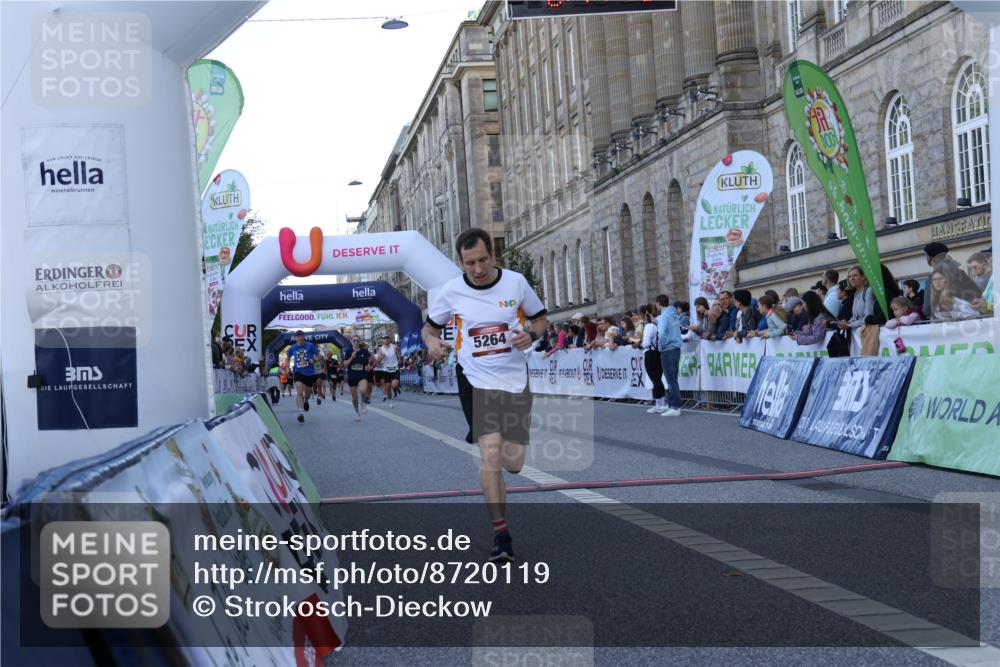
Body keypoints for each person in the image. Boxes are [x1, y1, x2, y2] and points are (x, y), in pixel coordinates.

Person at [422, 228, 547, 563]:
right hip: (475, 379)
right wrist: (432, 342)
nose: (477, 269)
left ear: (493, 255)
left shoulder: (516, 283)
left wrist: (531, 335)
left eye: (482, 260)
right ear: (460, 263)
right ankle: (501, 535)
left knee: (514, 463)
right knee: (490, 452)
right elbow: (429, 328)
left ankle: (502, 509)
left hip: (514, 378)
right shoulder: (451, 291)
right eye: (469, 263)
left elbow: (541, 319)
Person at [923, 242, 982, 319]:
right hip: (969, 320)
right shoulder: (960, 272)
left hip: (945, 323)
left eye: (926, 255)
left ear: (930, 257)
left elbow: (927, 310)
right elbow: (977, 294)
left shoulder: (934, 278)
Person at [655, 294, 683, 418]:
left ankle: (675, 407)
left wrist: (660, 346)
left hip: (668, 349)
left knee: (671, 380)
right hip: (676, 348)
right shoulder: (674, 314)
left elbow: (661, 334)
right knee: (673, 379)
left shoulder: (664, 316)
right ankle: (674, 405)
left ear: (658, 303)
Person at [287, 330, 323, 423]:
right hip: (298, 371)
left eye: (301, 336)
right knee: (299, 391)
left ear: (304, 337)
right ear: (295, 338)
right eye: (298, 337)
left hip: (309, 373)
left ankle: (306, 400)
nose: (300, 338)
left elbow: (319, 356)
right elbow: (287, 358)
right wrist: (287, 369)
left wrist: (314, 360)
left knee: (307, 393)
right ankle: (300, 413)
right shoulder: (293, 348)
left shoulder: (310, 345)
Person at [640, 309, 664, 413]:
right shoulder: (658, 325)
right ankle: (661, 403)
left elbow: (646, 343)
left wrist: (640, 343)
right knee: (657, 378)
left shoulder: (648, 326)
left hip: (650, 353)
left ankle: (660, 404)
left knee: (655, 379)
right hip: (658, 352)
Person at [344, 339, 374, 421]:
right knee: (354, 399)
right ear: (351, 342)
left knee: (363, 389)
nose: (355, 342)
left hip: (362, 375)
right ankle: (358, 414)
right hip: (352, 376)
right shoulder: (348, 351)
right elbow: (345, 364)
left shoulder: (364, 351)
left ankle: (363, 402)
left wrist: (368, 365)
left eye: (357, 340)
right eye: (353, 340)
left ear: (359, 342)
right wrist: (352, 357)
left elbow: (371, 358)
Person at [375, 334, 401, 408]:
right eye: (384, 338)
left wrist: (399, 358)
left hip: (395, 368)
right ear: (383, 340)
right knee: (388, 387)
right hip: (386, 369)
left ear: (389, 339)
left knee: (394, 385)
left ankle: (395, 389)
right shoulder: (381, 349)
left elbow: (399, 352)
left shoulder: (394, 346)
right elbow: (378, 362)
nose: (386, 339)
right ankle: (390, 400)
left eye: (387, 338)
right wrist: (381, 358)